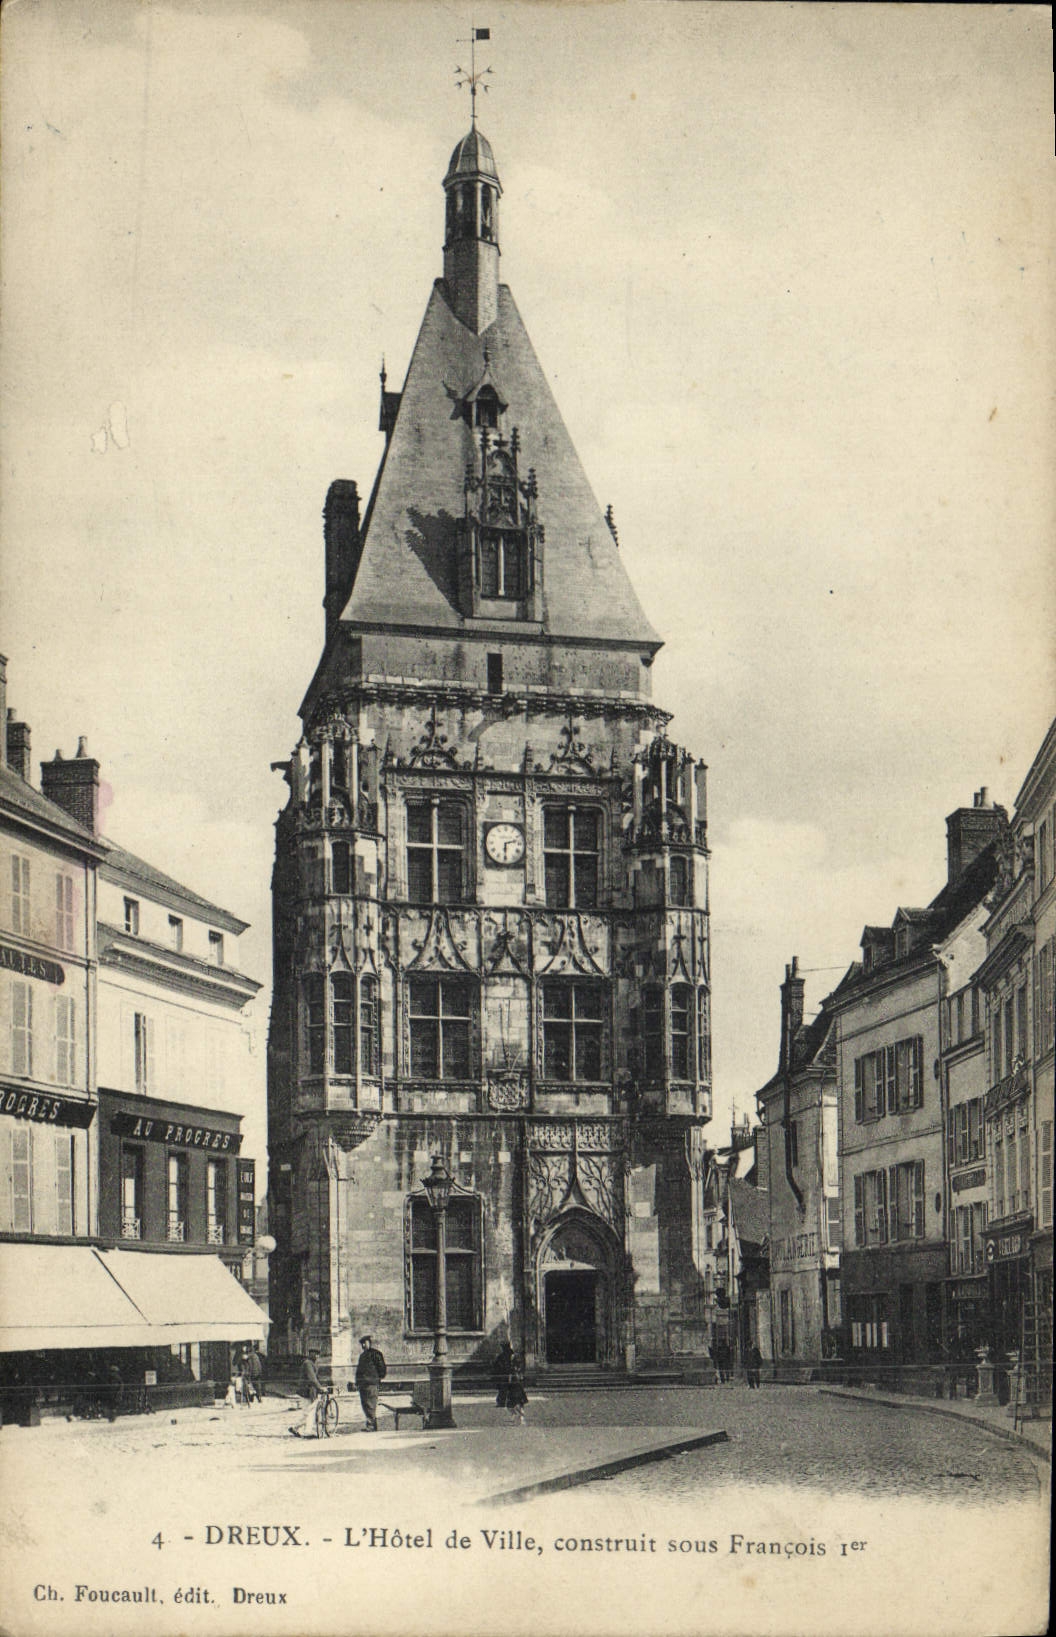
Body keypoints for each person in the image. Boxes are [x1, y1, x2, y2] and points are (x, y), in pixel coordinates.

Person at [354, 1335, 386, 1431]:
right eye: (362, 1344)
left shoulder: (376, 1354)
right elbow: (359, 1370)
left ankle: (371, 1426)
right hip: (363, 1384)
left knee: (371, 1405)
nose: (364, 1345)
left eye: (365, 1343)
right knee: (365, 1405)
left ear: (369, 1343)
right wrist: (357, 1382)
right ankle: (371, 1424)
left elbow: (382, 1368)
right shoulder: (362, 1356)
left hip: (371, 1383)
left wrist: (376, 1378)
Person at [289, 1349, 324, 1438]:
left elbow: (317, 1378)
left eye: (318, 1355)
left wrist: (322, 1386)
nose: (317, 1356)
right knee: (309, 1412)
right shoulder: (308, 1363)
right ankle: (306, 1432)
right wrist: (320, 1387)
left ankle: (295, 1428)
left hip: (311, 1392)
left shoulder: (312, 1363)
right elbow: (312, 1378)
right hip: (305, 1392)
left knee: (309, 1412)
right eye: (315, 1354)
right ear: (311, 1354)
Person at [494, 1339, 528, 1426]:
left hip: (513, 1383)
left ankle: (519, 1417)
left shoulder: (511, 1357)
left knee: (515, 1402)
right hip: (511, 1383)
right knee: (513, 1402)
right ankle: (517, 1417)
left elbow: (517, 1368)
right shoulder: (508, 1357)